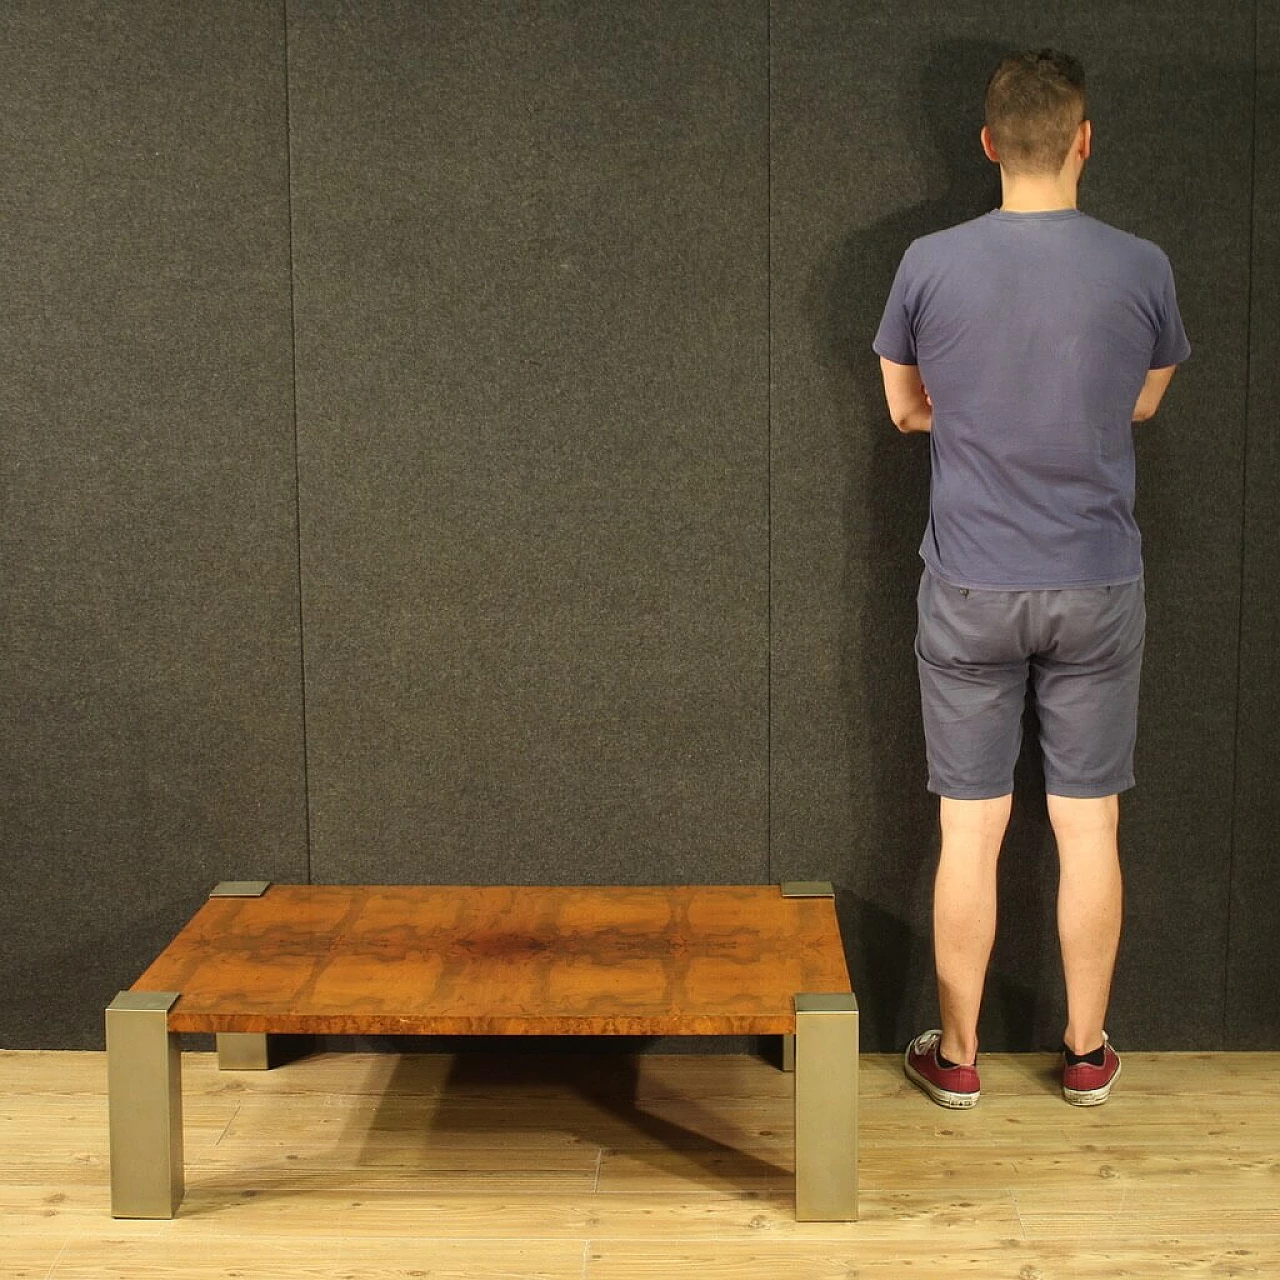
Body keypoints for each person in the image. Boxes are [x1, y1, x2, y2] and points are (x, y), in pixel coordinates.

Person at [872, 49, 1190, 1108]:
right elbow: (1143, 401)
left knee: (970, 826)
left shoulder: (925, 261)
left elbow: (905, 409)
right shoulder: (1139, 264)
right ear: (1083, 140)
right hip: (1094, 583)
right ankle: (1086, 1048)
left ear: (987, 143)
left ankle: (956, 1057)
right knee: (1087, 822)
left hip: (967, 582)